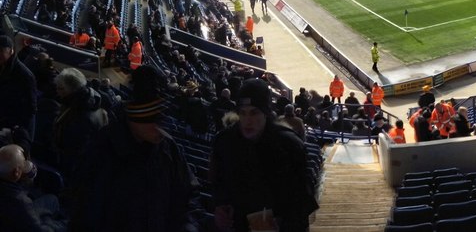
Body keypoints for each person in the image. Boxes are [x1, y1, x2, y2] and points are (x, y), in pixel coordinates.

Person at [70, 65, 200, 232]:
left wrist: (188, 226)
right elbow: (84, 215)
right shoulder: (101, 151)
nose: (165, 129)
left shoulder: (168, 148)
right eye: (158, 120)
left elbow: (189, 196)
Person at [210, 79, 319, 232]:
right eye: (243, 113)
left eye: (254, 113)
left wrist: (282, 222)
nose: (247, 120)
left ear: (266, 113)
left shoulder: (289, 145)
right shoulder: (223, 142)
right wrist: (220, 206)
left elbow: (302, 198)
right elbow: (217, 183)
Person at [52, 68, 108, 176]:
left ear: (73, 90)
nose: (57, 91)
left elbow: (75, 153)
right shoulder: (78, 104)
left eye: (61, 88)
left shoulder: (81, 116)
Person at [0, 143, 67, 232]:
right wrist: (48, 219)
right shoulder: (21, 200)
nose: (26, 164)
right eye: (23, 163)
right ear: (16, 172)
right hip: (22, 220)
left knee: (52, 199)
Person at [0, 35, 36, 136]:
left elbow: (30, 109)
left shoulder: (25, 75)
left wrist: (22, 136)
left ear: (11, 51)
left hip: (12, 127)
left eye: (1, 51)